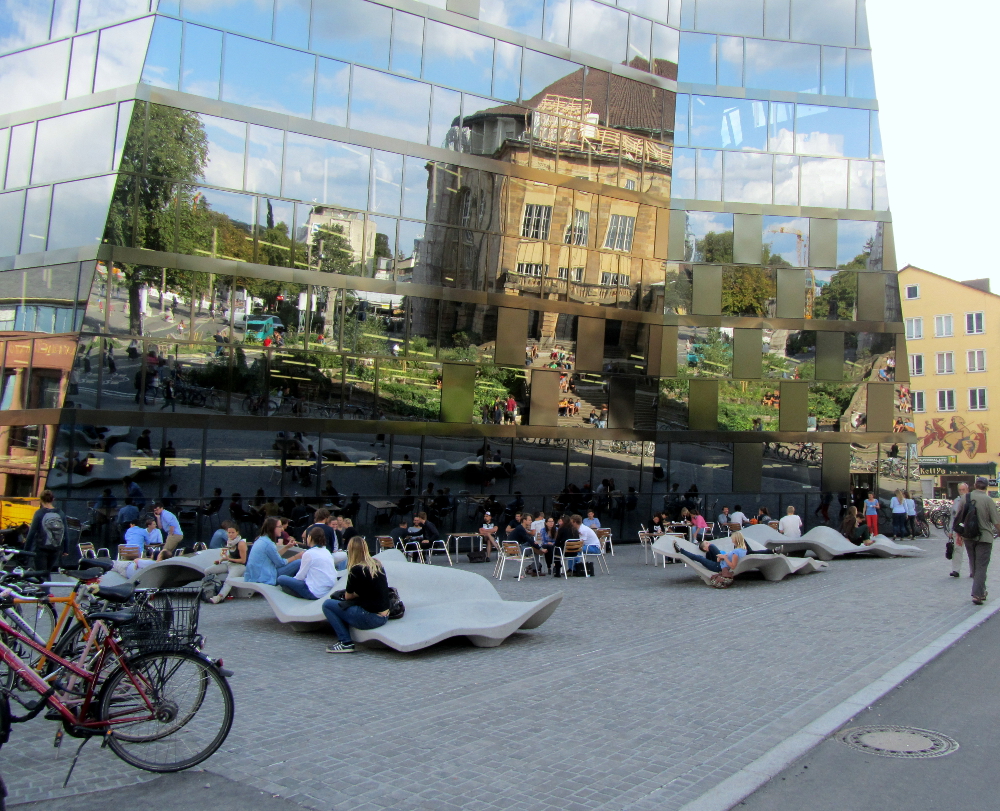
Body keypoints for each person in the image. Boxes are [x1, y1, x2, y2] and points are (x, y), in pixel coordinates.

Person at [323, 537, 391, 653]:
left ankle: (345, 642)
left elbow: (348, 596)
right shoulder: (377, 564)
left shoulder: (356, 570)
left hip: (370, 617)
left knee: (328, 604)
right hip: (384, 615)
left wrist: (356, 593)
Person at [958, 478, 1000, 604]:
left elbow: (959, 517)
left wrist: (959, 534)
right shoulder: (988, 500)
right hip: (984, 537)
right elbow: (996, 521)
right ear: (986, 487)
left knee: (974, 564)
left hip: (968, 536)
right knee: (981, 566)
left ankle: (981, 591)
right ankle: (977, 594)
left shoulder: (965, 498)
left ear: (975, 486)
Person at [276, 527, 338, 600]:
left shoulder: (309, 553)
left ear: (310, 537)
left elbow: (300, 576)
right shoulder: (326, 551)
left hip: (314, 592)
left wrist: (292, 582)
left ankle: (297, 593)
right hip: (327, 590)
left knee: (281, 578)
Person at [244, 517, 301, 585]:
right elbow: (280, 563)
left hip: (255, 576)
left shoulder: (261, 539)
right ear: (272, 528)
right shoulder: (269, 543)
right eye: (280, 527)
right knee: (299, 562)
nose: (282, 529)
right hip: (264, 577)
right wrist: (296, 557)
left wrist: (287, 547)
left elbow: (274, 556)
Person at [24, 490, 67, 574]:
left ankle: (44, 587)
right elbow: (65, 532)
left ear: (41, 500)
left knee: (40, 573)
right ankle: (46, 586)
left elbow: (32, 532)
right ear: (53, 499)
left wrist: (26, 550)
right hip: (55, 548)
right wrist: (66, 549)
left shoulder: (39, 513)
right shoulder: (60, 513)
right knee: (47, 571)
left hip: (41, 548)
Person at [205, 524, 249, 604]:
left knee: (229, 580)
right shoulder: (230, 542)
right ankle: (212, 590)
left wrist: (228, 559)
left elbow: (243, 560)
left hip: (239, 566)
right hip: (230, 563)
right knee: (208, 571)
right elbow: (231, 555)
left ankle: (219, 597)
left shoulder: (241, 543)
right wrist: (221, 559)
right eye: (229, 533)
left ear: (237, 533)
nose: (230, 534)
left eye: (232, 532)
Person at [948, 482, 970, 578]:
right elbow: (952, 516)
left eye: (963, 490)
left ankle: (973, 570)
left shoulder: (971, 499)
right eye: (960, 490)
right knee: (957, 550)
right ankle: (955, 570)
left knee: (971, 551)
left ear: (967, 490)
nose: (961, 492)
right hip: (958, 529)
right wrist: (950, 530)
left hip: (970, 529)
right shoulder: (956, 501)